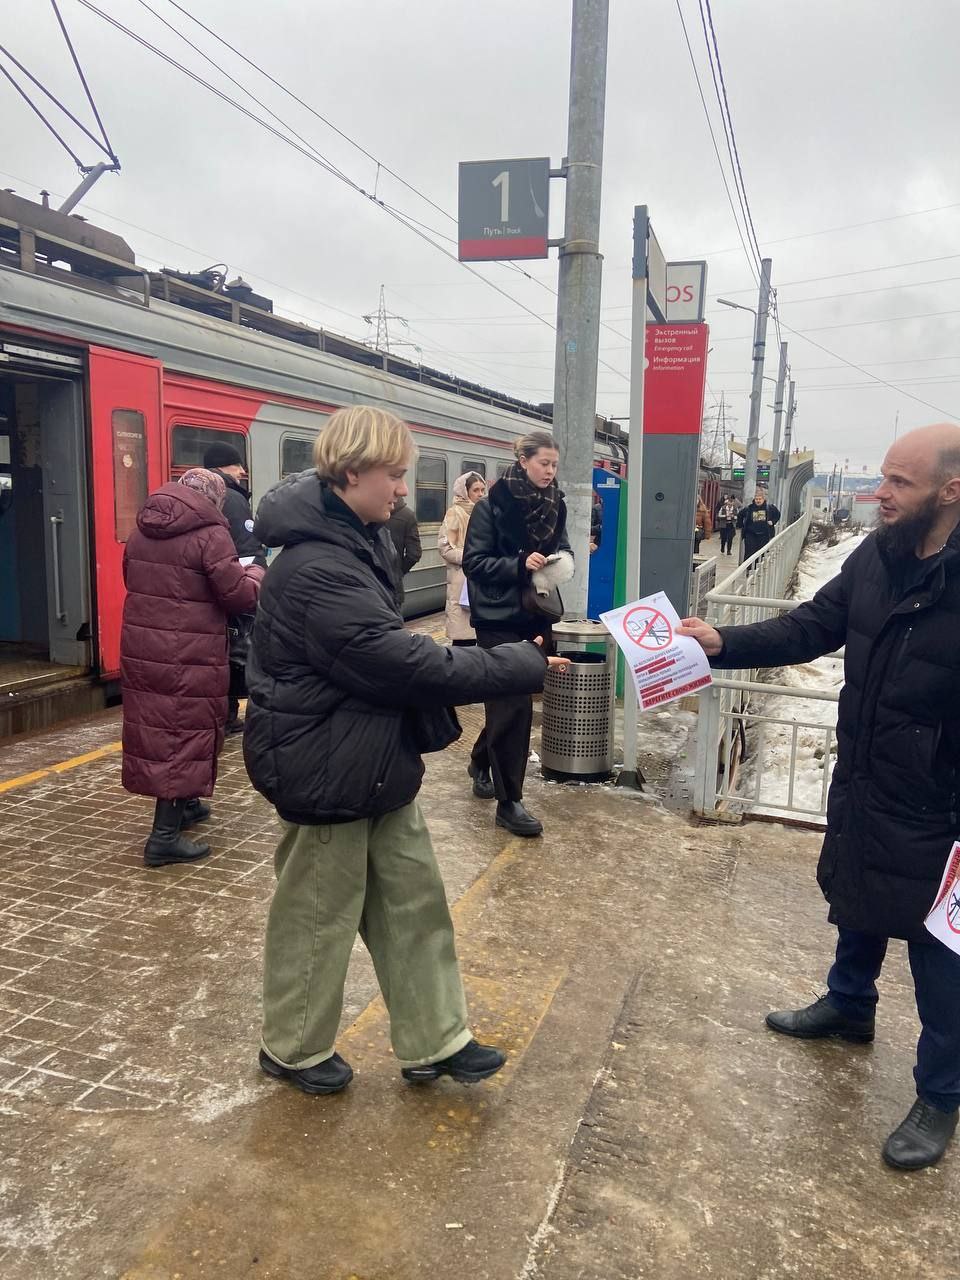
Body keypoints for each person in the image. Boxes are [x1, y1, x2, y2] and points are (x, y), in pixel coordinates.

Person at [242, 406, 569, 1097]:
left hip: (373, 754)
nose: (401, 491)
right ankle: (292, 1047)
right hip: (323, 760)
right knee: (317, 915)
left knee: (414, 902)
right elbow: (400, 664)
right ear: (351, 473)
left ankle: (437, 1038)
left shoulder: (352, 538)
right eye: (393, 476)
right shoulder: (316, 567)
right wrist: (516, 663)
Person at [678, 423, 960, 1172]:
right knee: (857, 893)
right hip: (869, 773)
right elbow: (812, 625)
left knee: (944, 957)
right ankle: (849, 1005)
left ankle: (940, 1094)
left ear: (950, 490)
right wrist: (723, 642)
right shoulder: (877, 556)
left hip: (944, 804)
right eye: (881, 479)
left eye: (898, 482)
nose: (880, 494)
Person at [120, 468, 264, 868]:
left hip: (144, 647)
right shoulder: (210, 534)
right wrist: (256, 573)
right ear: (213, 499)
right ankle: (163, 838)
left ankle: (184, 806)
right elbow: (236, 595)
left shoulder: (142, 529)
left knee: (165, 727)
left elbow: (134, 577)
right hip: (188, 650)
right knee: (183, 731)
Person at [462, 429, 573, 837]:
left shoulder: (555, 503)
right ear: (523, 460)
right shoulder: (491, 506)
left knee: (509, 700)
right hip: (497, 617)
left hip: (536, 612)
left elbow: (562, 544)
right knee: (514, 705)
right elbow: (475, 563)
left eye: (554, 464)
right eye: (544, 463)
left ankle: (479, 761)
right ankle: (510, 802)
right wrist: (519, 563)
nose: (550, 471)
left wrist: (563, 560)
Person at [202, 441, 268, 734]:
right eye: (236, 465)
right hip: (231, 587)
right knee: (235, 651)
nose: (242, 471)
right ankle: (227, 715)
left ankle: (221, 714)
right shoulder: (232, 497)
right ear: (221, 467)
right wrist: (257, 576)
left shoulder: (199, 494)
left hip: (207, 593)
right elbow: (246, 549)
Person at [438, 471, 486, 646]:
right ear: (465, 492)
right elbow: (445, 548)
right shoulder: (455, 513)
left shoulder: (485, 513)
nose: (480, 494)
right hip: (462, 582)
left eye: (482, 490)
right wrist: (471, 557)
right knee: (463, 639)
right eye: (476, 490)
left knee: (480, 637)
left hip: (481, 579)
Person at [386, 493, 422, 603]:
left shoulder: (368, 512)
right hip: (394, 585)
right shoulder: (408, 515)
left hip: (369, 584)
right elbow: (414, 554)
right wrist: (398, 572)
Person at [737, 486, 780, 559]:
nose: (758, 501)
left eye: (760, 499)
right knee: (749, 553)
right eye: (756, 499)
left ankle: (758, 568)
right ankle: (749, 568)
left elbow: (777, 514)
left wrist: (772, 522)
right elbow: (740, 515)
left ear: (763, 499)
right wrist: (741, 525)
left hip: (764, 535)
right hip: (751, 534)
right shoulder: (749, 508)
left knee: (762, 554)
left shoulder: (770, 508)